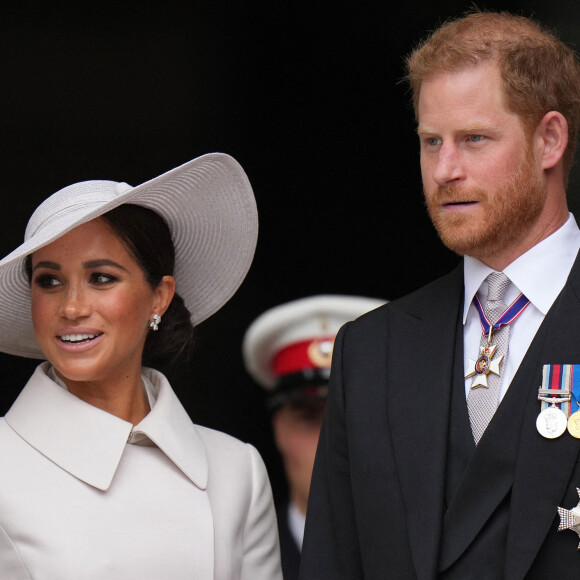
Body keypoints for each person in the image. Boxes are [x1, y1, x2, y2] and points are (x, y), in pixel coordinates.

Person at [299, 10, 580, 580]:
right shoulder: (370, 352)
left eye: (474, 139)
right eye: (431, 142)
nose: (444, 169)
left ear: (549, 139)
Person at [0, 153, 282, 579]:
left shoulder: (235, 469)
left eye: (101, 278)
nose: (72, 307)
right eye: (49, 281)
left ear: (159, 296)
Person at [242, 295, 385, 580]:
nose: (332, 440)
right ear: (279, 428)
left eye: (356, 415)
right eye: (309, 416)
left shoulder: (436, 556)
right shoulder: (234, 561)